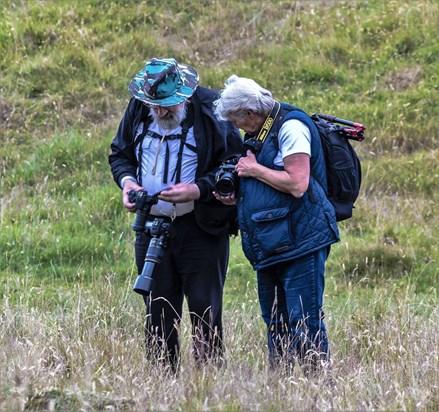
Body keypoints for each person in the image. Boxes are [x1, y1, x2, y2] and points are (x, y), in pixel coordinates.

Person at [109, 58, 242, 371]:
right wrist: (128, 184)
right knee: (157, 310)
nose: (160, 113)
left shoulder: (212, 110)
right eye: (154, 106)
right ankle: (161, 385)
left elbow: (235, 163)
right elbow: (120, 155)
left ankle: (208, 384)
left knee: (205, 310)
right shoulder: (139, 108)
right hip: (151, 227)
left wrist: (198, 190)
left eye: (167, 106)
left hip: (200, 229)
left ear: (184, 97)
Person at [213, 75, 340, 375]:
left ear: (250, 112)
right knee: (276, 322)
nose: (235, 127)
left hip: (301, 243)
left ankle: (317, 392)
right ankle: (282, 391)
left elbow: (297, 183)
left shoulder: (291, 127)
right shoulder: (257, 133)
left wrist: (255, 170)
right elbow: (267, 185)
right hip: (272, 245)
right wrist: (238, 198)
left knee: (305, 322)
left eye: (236, 120)